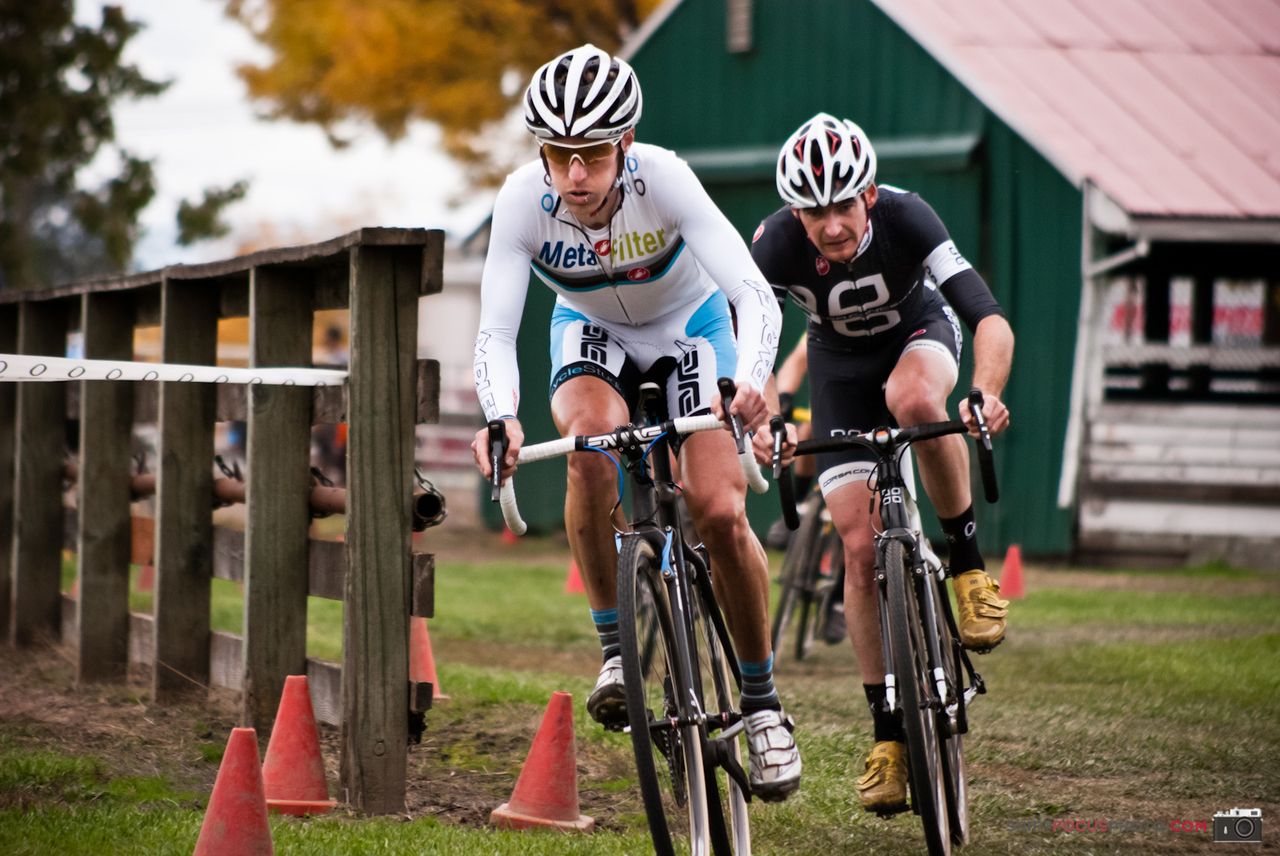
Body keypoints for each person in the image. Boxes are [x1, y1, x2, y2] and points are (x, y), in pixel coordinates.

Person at [470, 44, 801, 800]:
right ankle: (618, 651)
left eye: (590, 154)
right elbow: (494, 333)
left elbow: (753, 294)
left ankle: (761, 706)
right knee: (590, 449)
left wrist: (749, 383)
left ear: (623, 144)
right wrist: (502, 417)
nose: (575, 176)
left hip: (691, 325)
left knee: (719, 509)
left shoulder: (666, 178)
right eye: (559, 155)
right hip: (590, 330)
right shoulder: (523, 200)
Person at [750, 113, 1013, 814]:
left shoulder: (908, 216)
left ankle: (967, 567)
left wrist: (985, 390)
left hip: (919, 335)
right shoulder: (774, 244)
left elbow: (988, 317)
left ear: (867, 194)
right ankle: (888, 734)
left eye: (843, 205)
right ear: (794, 211)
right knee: (860, 549)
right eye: (814, 211)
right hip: (838, 371)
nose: (831, 225)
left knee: (914, 396)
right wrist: (762, 410)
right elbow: (750, 340)